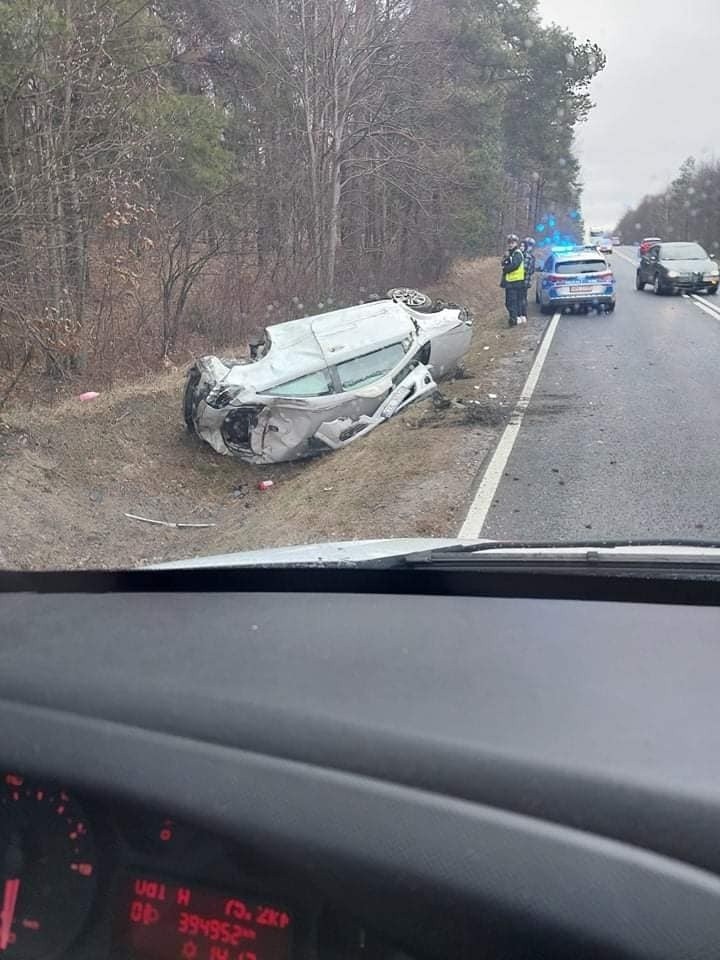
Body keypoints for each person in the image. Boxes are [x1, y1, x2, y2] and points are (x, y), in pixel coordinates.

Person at [501, 234, 525, 326]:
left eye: (512, 242)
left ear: (516, 243)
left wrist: (506, 268)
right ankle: (514, 318)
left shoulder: (517, 253)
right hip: (510, 282)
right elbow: (503, 262)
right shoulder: (510, 253)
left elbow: (514, 265)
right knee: (509, 302)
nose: (510, 244)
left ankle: (513, 320)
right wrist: (505, 260)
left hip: (515, 283)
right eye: (509, 243)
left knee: (511, 302)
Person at [520, 237, 536, 321]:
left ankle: (523, 314)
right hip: (525, 281)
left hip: (522, 281)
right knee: (523, 298)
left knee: (521, 298)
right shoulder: (531, 257)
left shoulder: (528, 256)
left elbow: (527, 270)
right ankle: (522, 314)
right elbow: (532, 270)